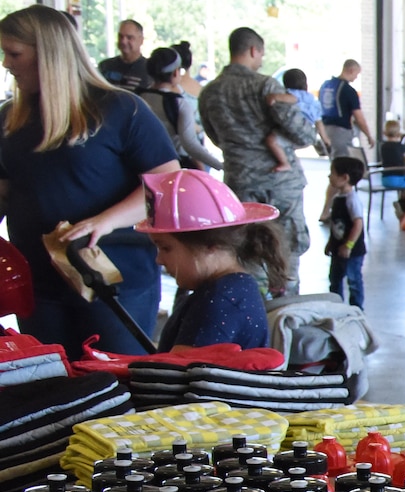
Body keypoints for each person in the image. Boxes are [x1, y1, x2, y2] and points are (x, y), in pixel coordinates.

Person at [0, 5, 179, 355]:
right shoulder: (9, 118)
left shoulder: (119, 108)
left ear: (48, 53)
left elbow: (165, 182)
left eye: (14, 53)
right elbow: (5, 189)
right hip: (39, 283)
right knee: (53, 388)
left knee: (120, 385)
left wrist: (104, 221)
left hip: (114, 280)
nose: (6, 64)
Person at [197, 26, 318, 296]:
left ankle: (253, 313)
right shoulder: (264, 86)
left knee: (246, 251)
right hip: (281, 184)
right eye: (261, 54)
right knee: (287, 252)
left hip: (240, 184)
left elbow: (215, 137)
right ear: (254, 50)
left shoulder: (210, 93)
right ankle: (284, 317)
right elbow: (302, 132)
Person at [140, 168, 283, 350]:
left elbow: (178, 374)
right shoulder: (234, 288)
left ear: (210, 245)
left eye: (166, 248)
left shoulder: (217, 302)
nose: (159, 260)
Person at [140, 44, 223, 171]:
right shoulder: (178, 103)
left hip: (143, 164)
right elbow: (190, 144)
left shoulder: (138, 97)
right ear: (175, 73)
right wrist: (219, 165)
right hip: (175, 165)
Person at [325, 156, 367, 308]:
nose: (329, 176)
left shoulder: (352, 199)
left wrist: (348, 245)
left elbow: (358, 224)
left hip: (352, 251)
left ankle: (356, 308)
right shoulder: (337, 198)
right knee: (335, 278)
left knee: (353, 279)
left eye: (332, 173)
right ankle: (337, 306)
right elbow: (335, 224)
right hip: (338, 248)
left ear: (344, 178)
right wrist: (331, 243)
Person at [316, 59, 372, 160]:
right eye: (357, 74)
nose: (356, 77)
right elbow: (359, 118)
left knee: (333, 162)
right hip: (340, 131)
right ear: (351, 70)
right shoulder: (348, 90)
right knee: (342, 163)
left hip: (324, 130)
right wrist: (368, 135)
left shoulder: (326, 86)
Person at [377, 119, 405, 214]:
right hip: (398, 180)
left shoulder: (383, 146)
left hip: (385, 180)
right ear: (399, 133)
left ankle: (401, 205)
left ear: (385, 132)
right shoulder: (401, 147)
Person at [98, 18, 150, 92]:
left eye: (129, 38)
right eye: (120, 36)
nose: (123, 41)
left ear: (141, 40)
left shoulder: (150, 69)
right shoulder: (105, 66)